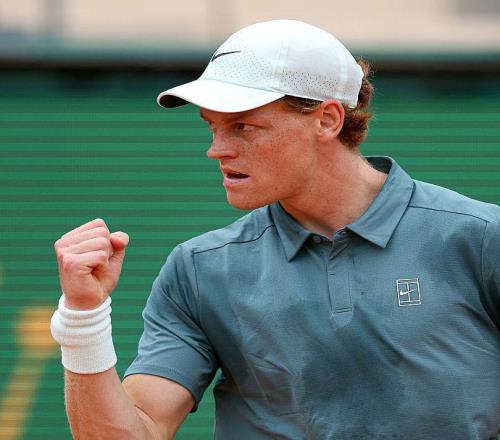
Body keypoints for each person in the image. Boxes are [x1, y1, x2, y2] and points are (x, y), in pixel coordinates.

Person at [50, 19, 500, 440]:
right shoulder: (198, 270)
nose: (216, 149)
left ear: (327, 120)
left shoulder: (481, 239)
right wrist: (83, 317)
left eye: (242, 127)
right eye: (212, 127)